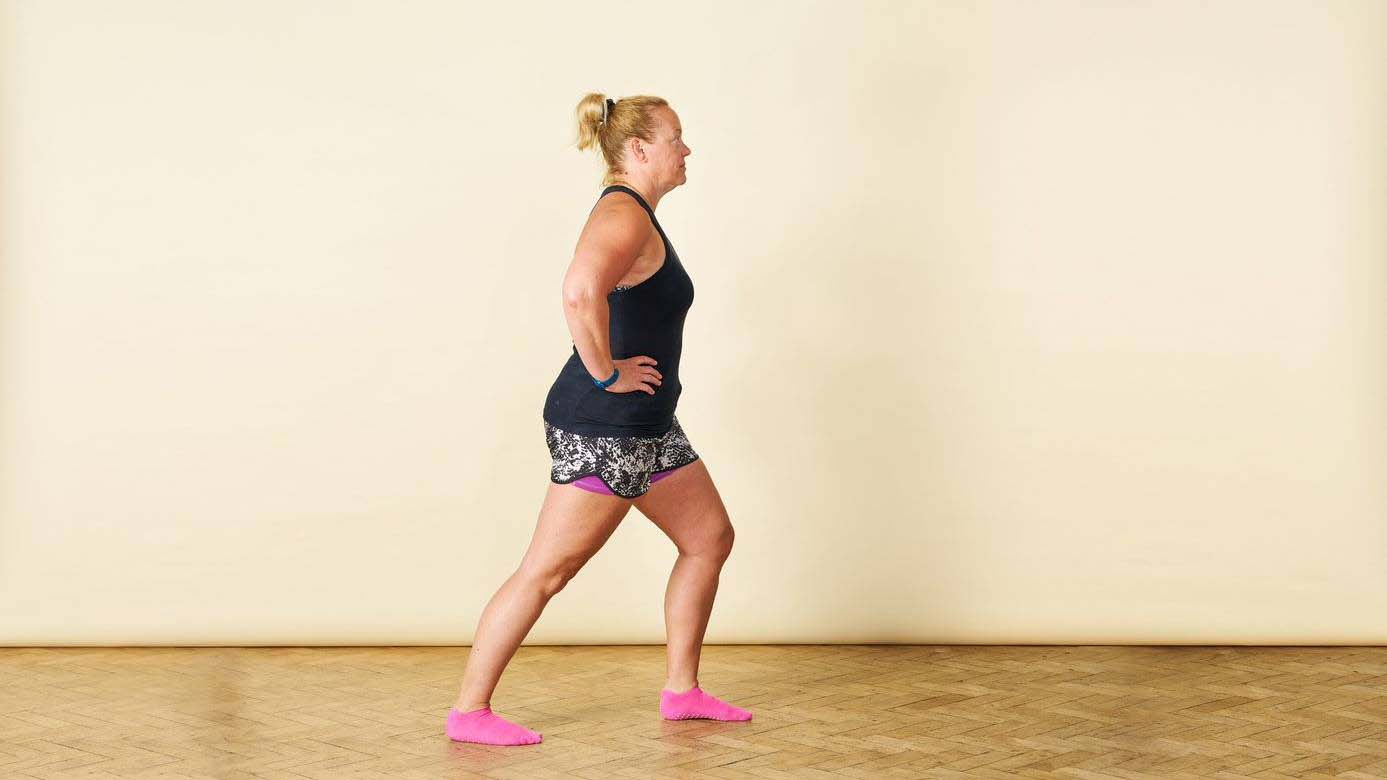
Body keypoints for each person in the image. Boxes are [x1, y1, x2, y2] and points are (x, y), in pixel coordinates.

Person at [445, 93, 751, 746]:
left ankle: (682, 692)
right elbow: (579, 291)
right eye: (676, 137)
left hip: (647, 425)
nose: (686, 149)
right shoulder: (622, 214)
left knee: (708, 539)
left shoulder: (637, 216)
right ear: (639, 150)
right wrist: (608, 372)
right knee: (546, 572)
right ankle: (470, 711)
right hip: (605, 429)